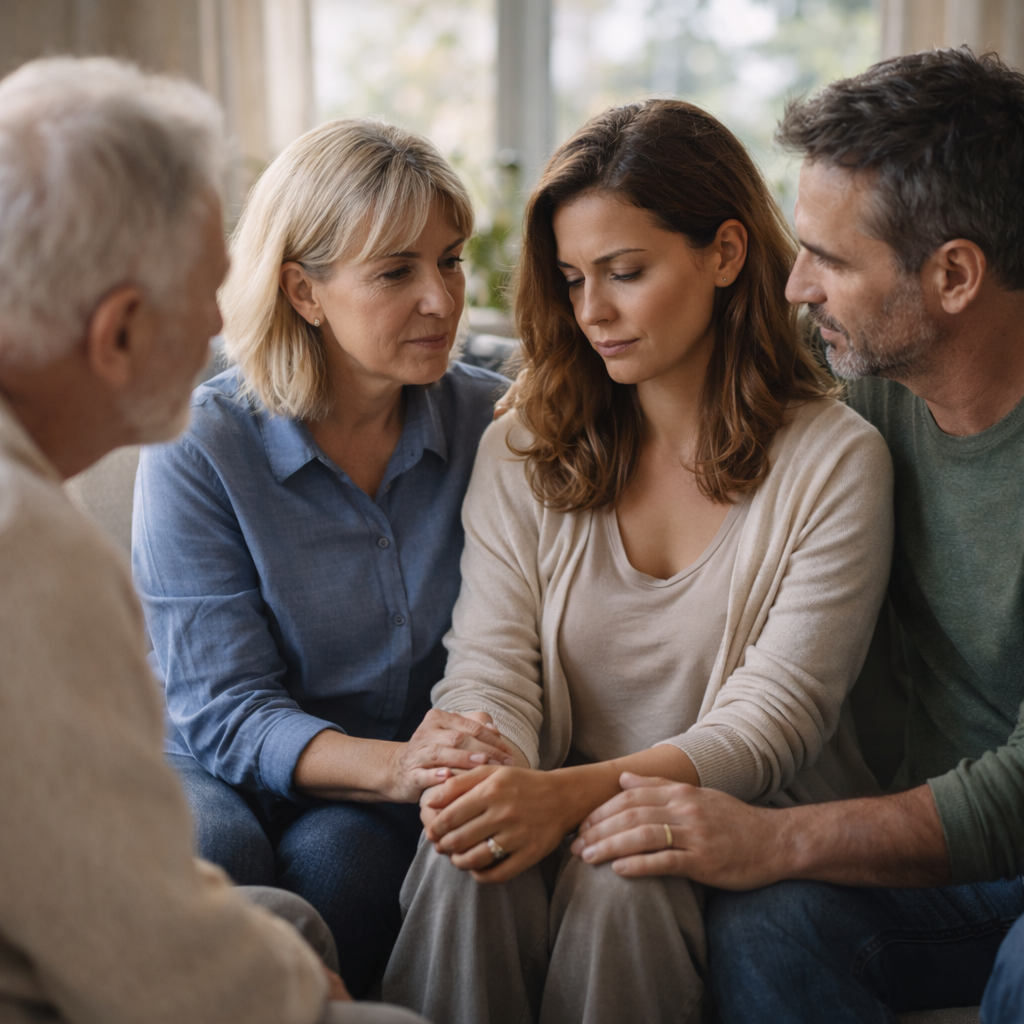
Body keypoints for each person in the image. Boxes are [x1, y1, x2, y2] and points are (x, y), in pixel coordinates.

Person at [381, 98, 895, 1024]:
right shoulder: (528, 442)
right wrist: (486, 770)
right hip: (555, 799)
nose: (593, 313)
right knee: (471, 858)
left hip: (738, 830)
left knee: (630, 868)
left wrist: (564, 798)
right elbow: (489, 661)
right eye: (573, 279)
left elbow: (776, 720)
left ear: (725, 255)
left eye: (625, 273)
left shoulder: (837, 461)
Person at [568, 48, 1024, 1022]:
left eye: (831, 258)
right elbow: (709, 388)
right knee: (767, 927)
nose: (793, 285)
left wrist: (778, 838)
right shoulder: (868, 407)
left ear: (952, 274)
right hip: (944, 871)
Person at [0, 55, 425, 1024]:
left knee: (293, 907)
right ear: (118, 332)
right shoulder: (30, 549)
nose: (220, 329)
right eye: (206, 293)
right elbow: (127, 934)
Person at [131, 116, 514, 995]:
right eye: (396, 272)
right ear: (304, 291)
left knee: (344, 865)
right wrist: (400, 766)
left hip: (370, 787)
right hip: (209, 754)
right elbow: (223, 708)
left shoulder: (495, 423)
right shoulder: (199, 442)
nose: (442, 299)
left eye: (451, 260)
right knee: (215, 847)